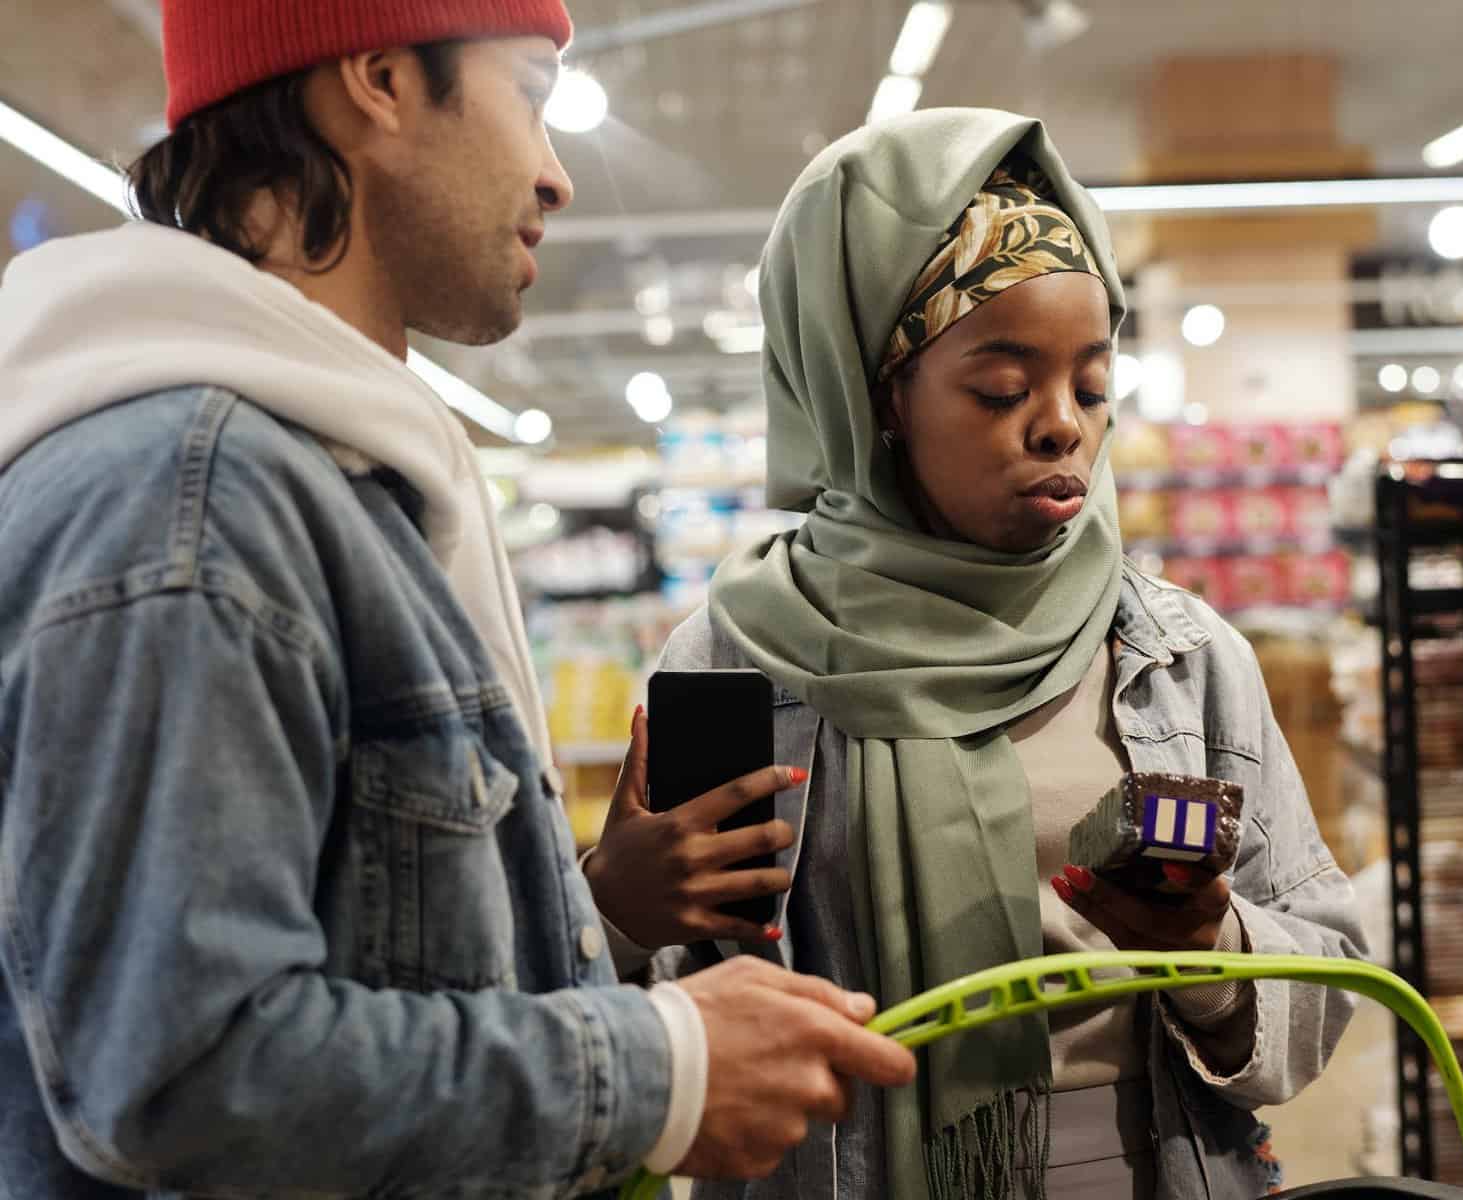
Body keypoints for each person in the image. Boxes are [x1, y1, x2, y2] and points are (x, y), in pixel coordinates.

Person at [0, 2, 912, 1196]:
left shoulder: (329, 477)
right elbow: (176, 1074)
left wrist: (585, 914)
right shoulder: (201, 500)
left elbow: (363, 948)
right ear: (377, 78)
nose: (555, 174)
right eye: (529, 91)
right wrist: (661, 1068)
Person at [587, 108, 1369, 1200]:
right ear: (880, 398)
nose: (1061, 427)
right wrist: (616, 914)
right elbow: (642, 1053)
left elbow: (1327, 977)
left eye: (1092, 387)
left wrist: (1214, 942)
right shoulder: (734, 660)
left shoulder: (1181, 655)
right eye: (1001, 389)